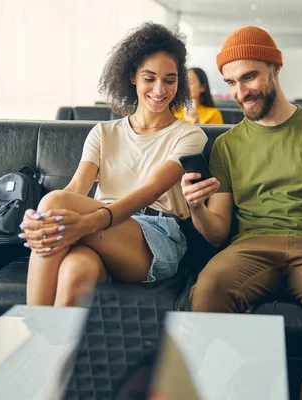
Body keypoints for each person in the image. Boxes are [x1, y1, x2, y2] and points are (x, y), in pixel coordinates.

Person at [180, 26, 302, 400]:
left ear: (274, 68)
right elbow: (218, 234)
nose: (240, 92)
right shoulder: (228, 145)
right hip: (251, 246)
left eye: (248, 76)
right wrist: (196, 208)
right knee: (208, 291)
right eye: (230, 82)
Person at [20, 22, 207, 307]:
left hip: (155, 237)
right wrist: (38, 217)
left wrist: (85, 223)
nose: (160, 89)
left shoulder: (190, 135)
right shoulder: (103, 132)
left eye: (170, 80)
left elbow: (151, 191)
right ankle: (50, 346)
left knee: (55, 202)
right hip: (101, 235)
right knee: (75, 270)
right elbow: (75, 189)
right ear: (132, 76)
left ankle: (27, 335)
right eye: (150, 78)